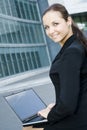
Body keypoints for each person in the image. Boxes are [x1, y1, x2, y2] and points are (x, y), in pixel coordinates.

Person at [23, 3, 87, 130]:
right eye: (46, 27)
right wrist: (57, 106)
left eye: (55, 24)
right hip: (79, 111)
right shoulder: (77, 44)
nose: (51, 31)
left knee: (29, 128)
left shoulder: (71, 52)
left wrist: (50, 114)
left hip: (79, 118)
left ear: (68, 21)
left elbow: (68, 105)